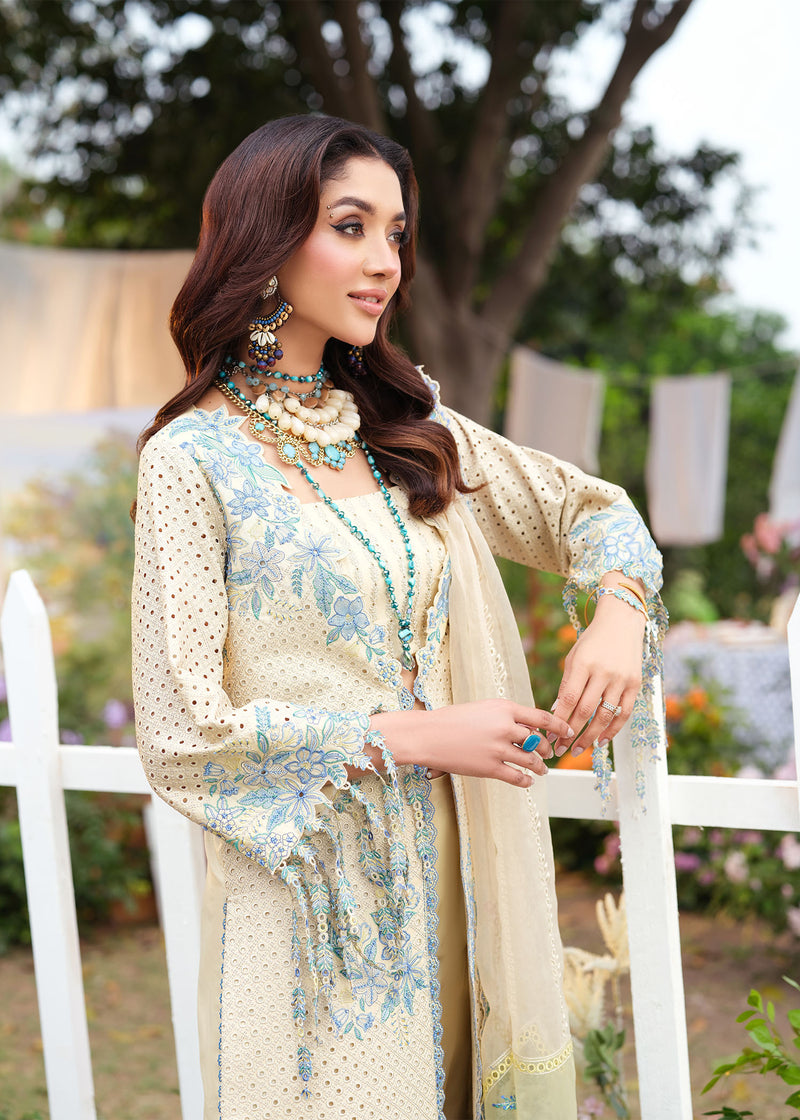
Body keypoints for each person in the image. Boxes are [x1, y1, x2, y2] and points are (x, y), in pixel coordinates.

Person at [131, 114, 665, 1120]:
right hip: (320, 916)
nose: (382, 261)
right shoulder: (191, 462)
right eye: (350, 226)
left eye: (394, 234)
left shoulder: (407, 433)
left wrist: (616, 611)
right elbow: (179, 730)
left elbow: (590, 510)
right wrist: (413, 736)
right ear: (267, 235)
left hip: (470, 879)